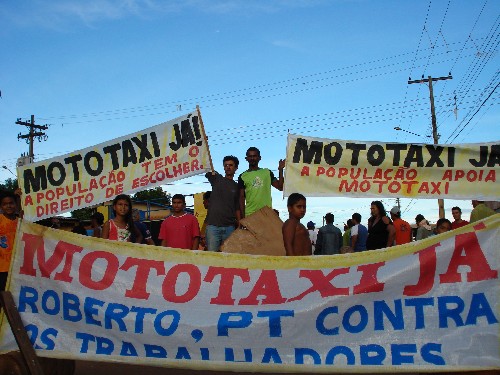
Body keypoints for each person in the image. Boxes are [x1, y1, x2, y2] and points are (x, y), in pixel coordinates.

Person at [205, 155, 241, 251]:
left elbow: (237, 207)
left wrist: (240, 222)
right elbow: (206, 166)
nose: (228, 167)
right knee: (212, 257)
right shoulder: (217, 178)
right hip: (213, 226)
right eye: (226, 165)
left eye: (231, 165)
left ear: (236, 167)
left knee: (228, 257)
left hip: (230, 227)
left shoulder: (237, 186)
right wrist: (204, 145)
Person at [238, 147, 285, 218]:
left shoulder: (267, 172)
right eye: (250, 156)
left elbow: (280, 187)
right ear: (246, 159)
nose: (252, 158)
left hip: (267, 213)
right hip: (250, 214)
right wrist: (243, 217)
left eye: (254, 156)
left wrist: (281, 170)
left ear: (259, 158)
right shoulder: (242, 176)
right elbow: (241, 198)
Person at [0, 192, 19, 290]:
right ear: (1, 207)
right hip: (1, 268)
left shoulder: (21, 223)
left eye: (11, 203)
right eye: (5, 204)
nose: (8, 206)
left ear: (16, 205)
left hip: (17, 267)